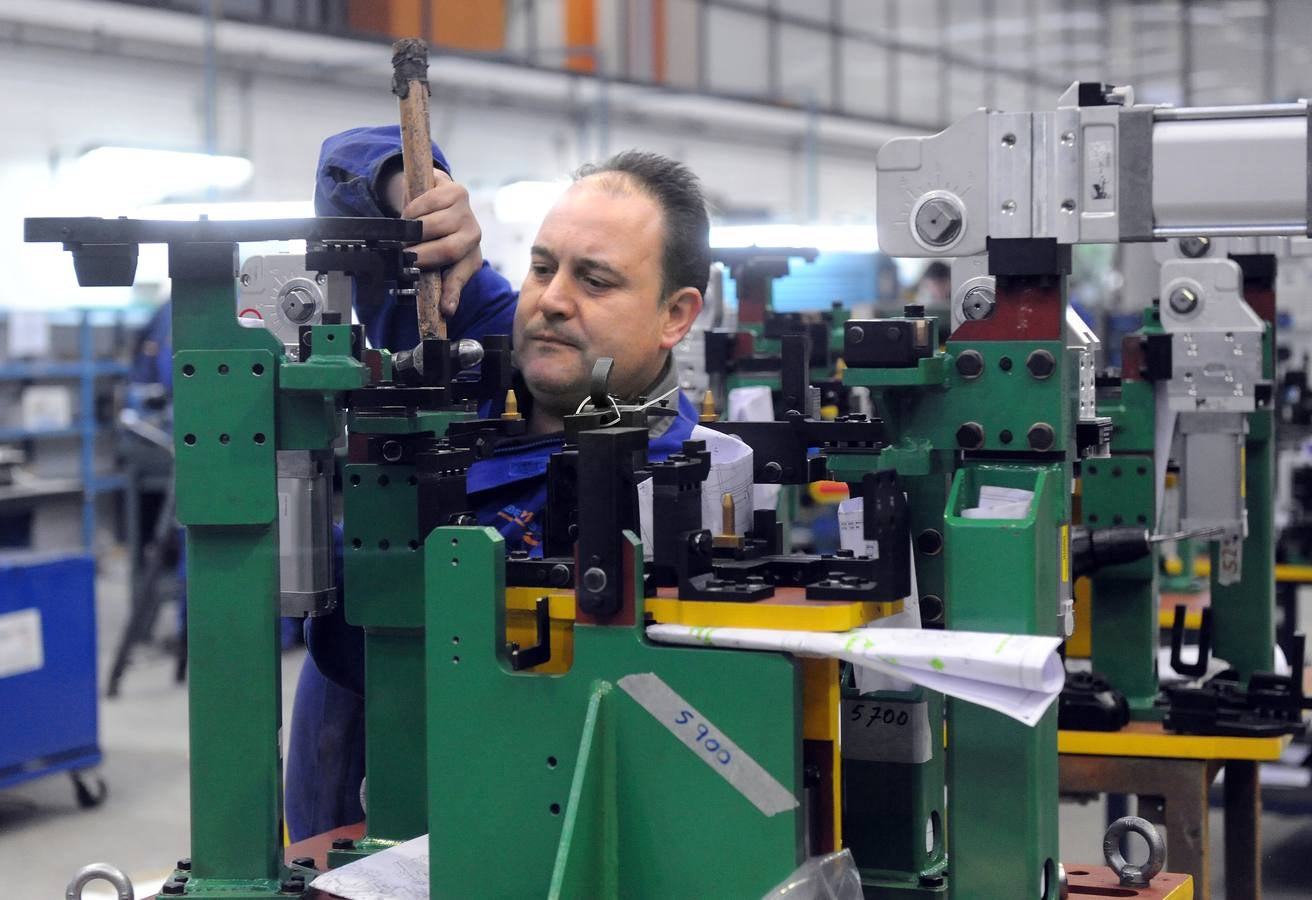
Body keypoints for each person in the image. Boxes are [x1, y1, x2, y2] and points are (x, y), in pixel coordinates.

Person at [286, 126, 709, 839]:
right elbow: (340, 166)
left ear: (677, 315)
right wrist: (410, 192)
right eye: (544, 267)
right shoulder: (475, 334)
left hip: (480, 825)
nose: (551, 300)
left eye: (595, 280)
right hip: (332, 798)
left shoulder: (662, 493)